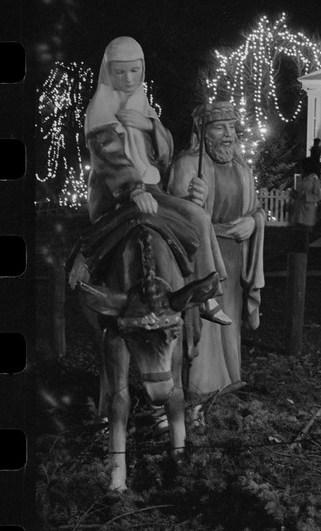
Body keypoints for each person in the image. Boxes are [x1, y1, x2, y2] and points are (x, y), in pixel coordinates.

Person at [78, 36, 230, 325]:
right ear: (108, 71)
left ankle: (208, 290)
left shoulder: (143, 105)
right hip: (118, 191)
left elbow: (164, 153)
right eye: (119, 72)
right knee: (193, 215)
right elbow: (108, 154)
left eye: (134, 71)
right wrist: (134, 189)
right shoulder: (99, 109)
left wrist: (148, 125)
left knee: (198, 216)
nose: (128, 78)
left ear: (143, 70)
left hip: (151, 187)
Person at [168, 100, 266, 394]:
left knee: (230, 321)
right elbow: (174, 217)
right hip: (202, 260)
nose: (228, 134)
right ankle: (200, 388)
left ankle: (228, 382)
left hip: (235, 258)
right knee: (204, 325)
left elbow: (258, 209)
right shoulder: (187, 165)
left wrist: (253, 223)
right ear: (202, 132)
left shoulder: (242, 169)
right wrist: (191, 204)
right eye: (219, 127)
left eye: (232, 127)